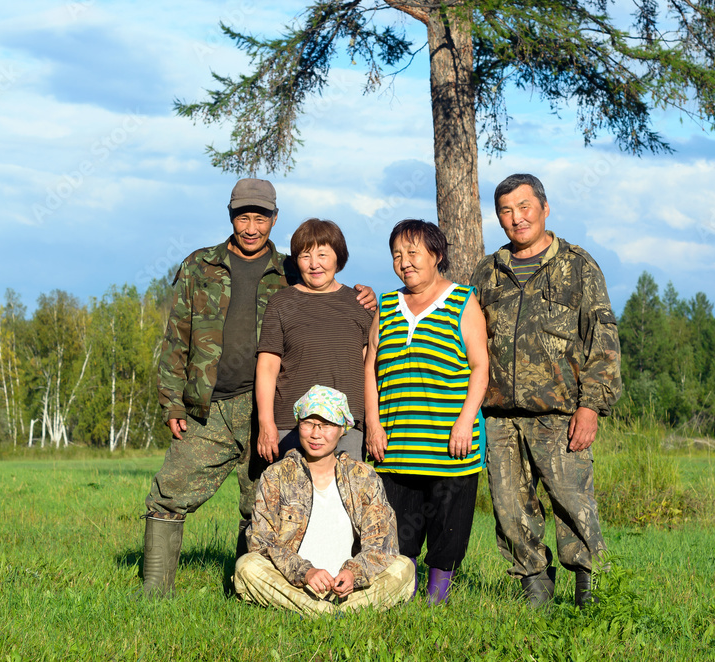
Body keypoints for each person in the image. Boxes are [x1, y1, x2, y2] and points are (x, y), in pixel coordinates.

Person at [141, 179, 374, 598]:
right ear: (231, 217)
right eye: (243, 217)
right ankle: (154, 594)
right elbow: (176, 338)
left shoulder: (289, 268)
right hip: (208, 406)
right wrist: (172, 400)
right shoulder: (199, 266)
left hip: (276, 406)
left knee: (263, 507)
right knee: (169, 492)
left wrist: (365, 294)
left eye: (260, 218)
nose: (251, 227)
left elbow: (327, 291)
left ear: (274, 219)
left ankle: (245, 591)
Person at [469, 173, 622, 608]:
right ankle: (534, 589)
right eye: (505, 211)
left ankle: (588, 590)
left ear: (544, 207)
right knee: (509, 510)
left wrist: (591, 406)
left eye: (523, 207)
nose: (515, 218)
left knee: (574, 505)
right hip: (498, 417)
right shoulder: (487, 271)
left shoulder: (578, 265)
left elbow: (603, 340)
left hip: (560, 414)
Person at [364, 219, 489, 605]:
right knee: (398, 530)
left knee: (448, 527)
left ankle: (437, 602)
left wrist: (465, 420)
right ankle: (404, 595)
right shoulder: (385, 305)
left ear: (436, 255)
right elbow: (369, 366)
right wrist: (373, 424)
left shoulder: (462, 301)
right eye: (397, 255)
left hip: (450, 441)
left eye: (413, 252)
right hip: (396, 443)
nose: (405, 262)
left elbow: (481, 367)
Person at [234, 385, 414, 615]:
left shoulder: (364, 477)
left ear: (343, 429)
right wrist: (305, 572)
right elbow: (262, 544)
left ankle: (333, 610)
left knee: (404, 567)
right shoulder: (276, 476)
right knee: (246, 566)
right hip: (296, 584)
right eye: (308, 423)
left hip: (350, 588)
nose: (316, 433)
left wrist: (353, 573)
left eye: (327, 424)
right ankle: (327, 612)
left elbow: (381, 544)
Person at [255, 218, 374, 464]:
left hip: (348, 427)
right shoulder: (280, 304)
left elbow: (370, 370)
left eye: (322, 254)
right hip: (293, 427)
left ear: (338, 258)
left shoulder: (360, 304)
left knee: (345, 499)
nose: (314, 264)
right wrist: (266, 423)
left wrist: (373, 424)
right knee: (292, 500)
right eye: (305, 256)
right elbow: (267, 368)